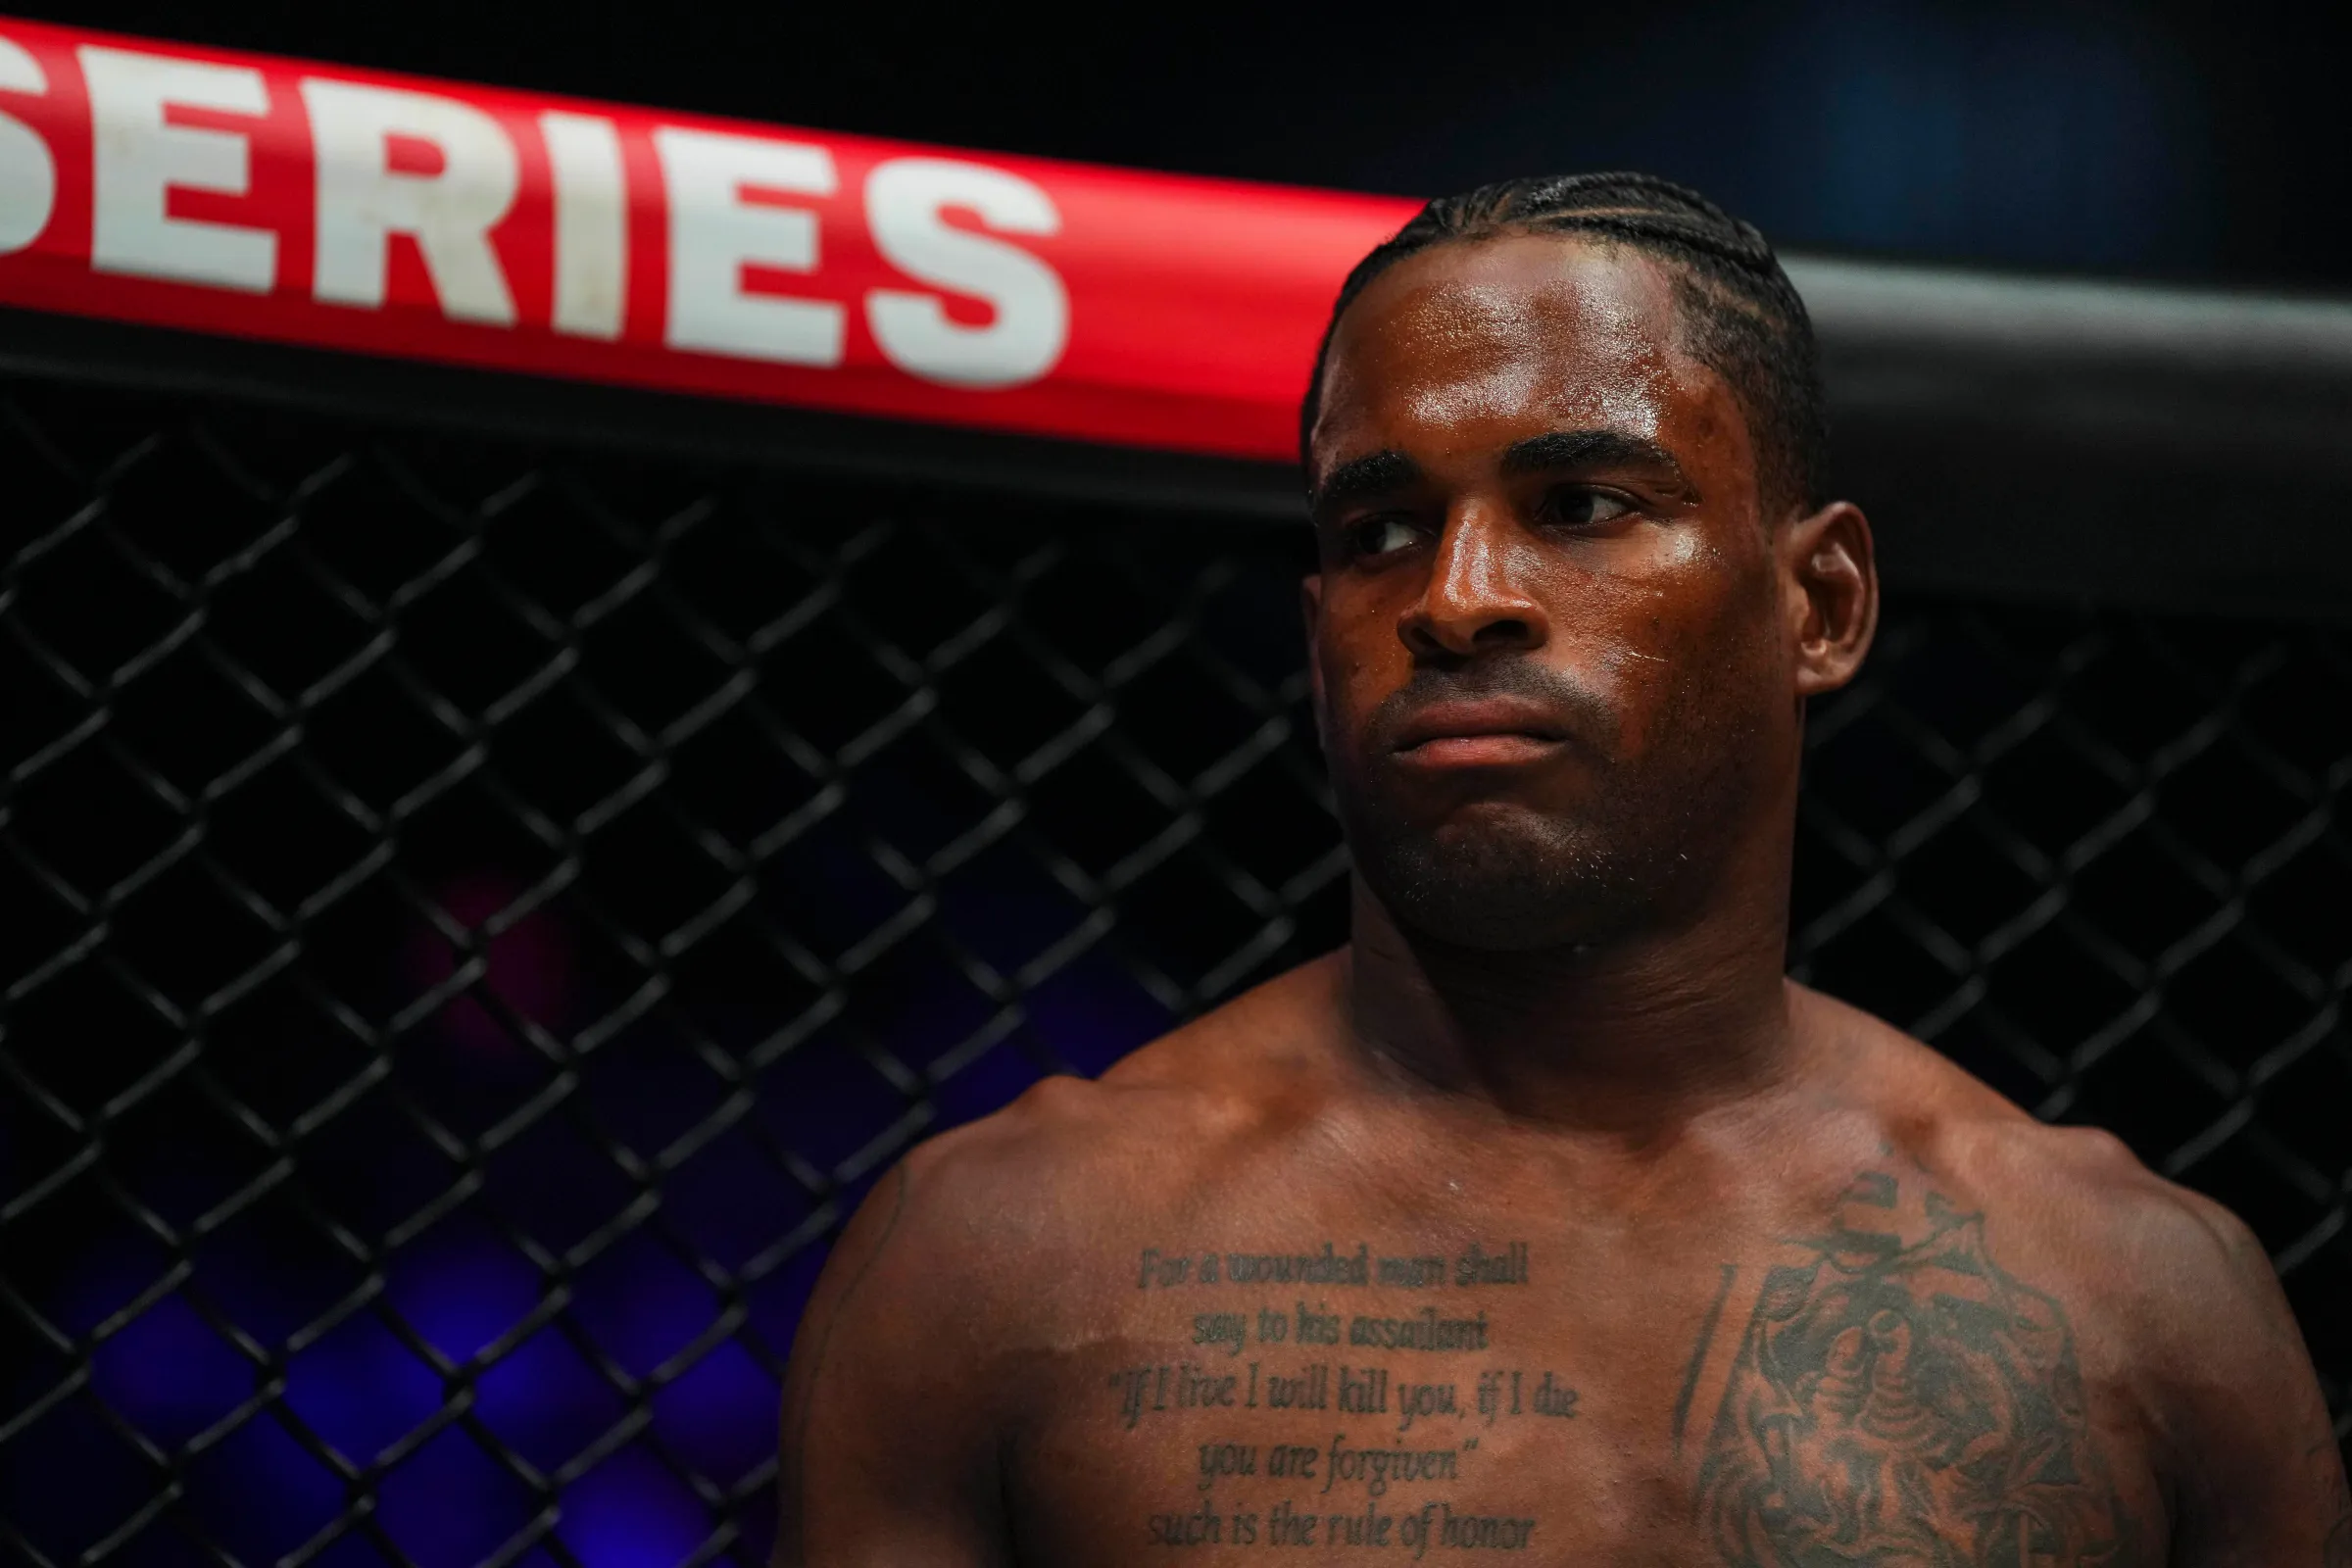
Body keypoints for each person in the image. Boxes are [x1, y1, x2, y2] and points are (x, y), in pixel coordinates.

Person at [773, 173, 2351, 1566]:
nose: (1455, 599)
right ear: (1314, 641)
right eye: (1381, 528)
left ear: (1821, 604)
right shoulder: (1000, 1263)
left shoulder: (2141, 1306)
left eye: (1582, 504)